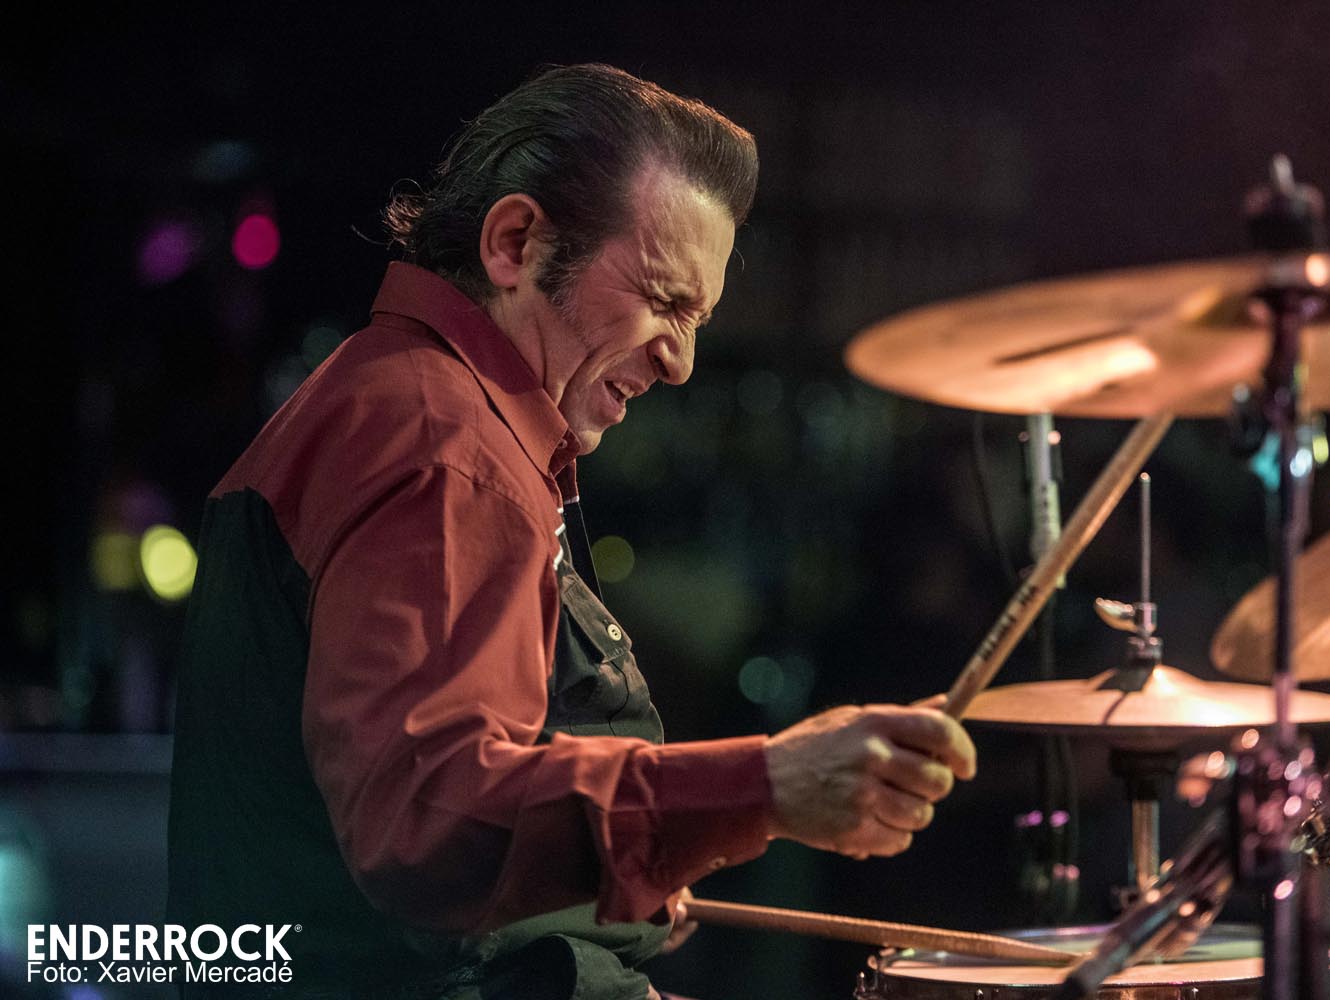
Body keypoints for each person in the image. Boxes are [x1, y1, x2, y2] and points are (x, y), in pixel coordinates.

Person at [167, 63, 976, 1000]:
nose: (680, 362)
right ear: (515, 243)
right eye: (664, 301)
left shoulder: (394, 397)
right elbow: (426, 822)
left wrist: (606, 875)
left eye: (698, 318)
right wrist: (766, 787)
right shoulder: (445, 448)